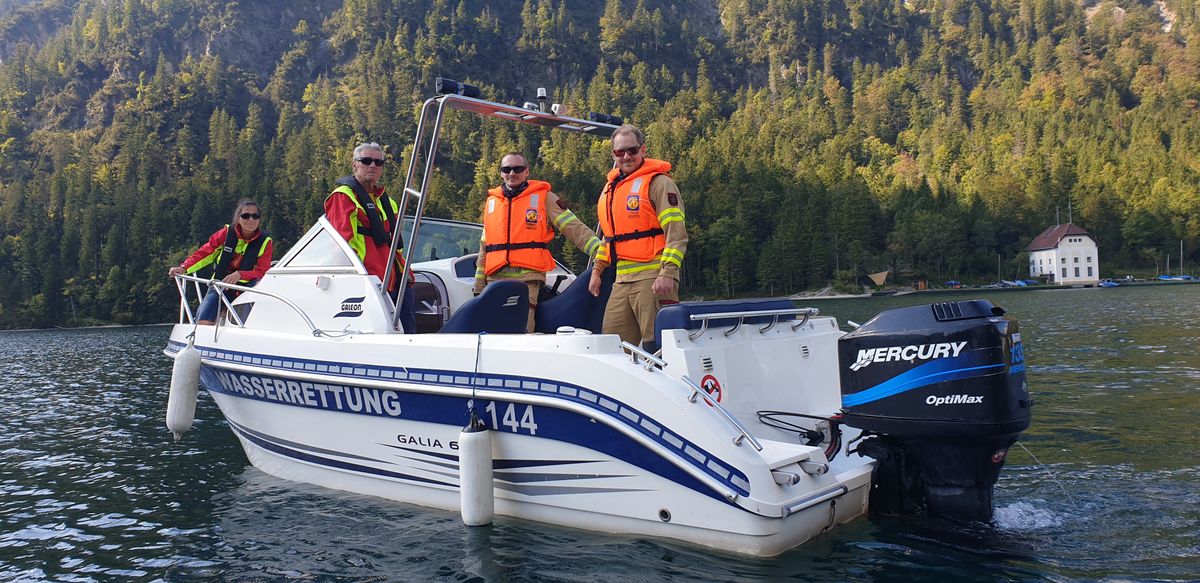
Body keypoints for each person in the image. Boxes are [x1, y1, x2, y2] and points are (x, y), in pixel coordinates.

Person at [474, 151, 602, 332]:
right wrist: (479, 285)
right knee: (492, 330)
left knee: (522, 327)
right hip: (493, 279)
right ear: (501, 173)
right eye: (507, 169)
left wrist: (601, 251)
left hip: (527, 278)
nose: (512, 173)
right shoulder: (492, 202)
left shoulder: (544, 198)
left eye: (517, 168)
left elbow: (574, 228)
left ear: (527, 171)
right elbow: (484, 246)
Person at [588, 125, 687, 350]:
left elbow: (676, 233)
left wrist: (668, 273)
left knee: (658, 345)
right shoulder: (611, 189)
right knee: (611, 345)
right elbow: (610, 239)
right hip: (622, 279)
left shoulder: (659, 183)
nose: (626, 156)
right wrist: (597, 270)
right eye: (619, 152)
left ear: (643, 150)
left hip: (653, 276)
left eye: (632, 150)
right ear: (613, 154)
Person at [324, 142, 416, 334]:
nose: (372, 166)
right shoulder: (343, 196)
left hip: (395, 277)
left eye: (378, 162)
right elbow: (341, 245)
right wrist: (355, 280)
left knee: (408, 334)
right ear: (354, 165)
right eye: (366, 161)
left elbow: (395, 243)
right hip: (368, 280)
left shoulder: (388, 202)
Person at [169, 199, 273, 325]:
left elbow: (262, 272)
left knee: (242, 323)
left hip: (247, 289)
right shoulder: (226, 234)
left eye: (255, 216)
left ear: (259, 219)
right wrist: (184, 268)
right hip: (219, 285)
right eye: (245, 216)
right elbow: (204, 253)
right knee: (202, 321)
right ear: (238, 218)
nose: (250, 220)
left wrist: (240, 275)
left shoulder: (265, 242)